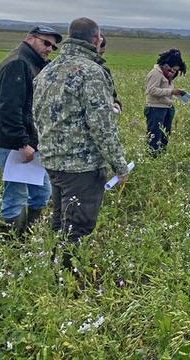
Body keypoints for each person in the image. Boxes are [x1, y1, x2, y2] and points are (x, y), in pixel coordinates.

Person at [33, 18, 129, 250]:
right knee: (77, 229)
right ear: (96, 40)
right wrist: (120, 165)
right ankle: (66, 280)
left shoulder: (48, 69)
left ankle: (54, 270)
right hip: (81, 167)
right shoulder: (91, 72)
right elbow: (102, 126)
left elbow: (36, 113)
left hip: (52, 162)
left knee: (59, 223)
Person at [0, 24, 62, 237]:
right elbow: (9, 108)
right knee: (16, 197)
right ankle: (12, 242)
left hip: (31, 144)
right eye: (45, 42)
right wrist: (22, 143)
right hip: (15, 146)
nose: (49, 48)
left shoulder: (34, 63)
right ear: (30, 38)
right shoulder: (18, 63)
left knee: (41, 193)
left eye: (53, 46)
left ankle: (26, 237)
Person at [144, 49, 186, 154]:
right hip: (155, 108)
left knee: (164, 136)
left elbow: (164, 90)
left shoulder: (166, 74)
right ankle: (152, 156)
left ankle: (161, 155)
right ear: (166, 65)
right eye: (173, 69)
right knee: (155, 136)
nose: (174, 72)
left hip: (167, 108)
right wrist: (171, 91)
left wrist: (176, 92)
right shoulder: (155, 73)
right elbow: (151, 90)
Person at [98, 35, 122, 113]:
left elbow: (111, 92)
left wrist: (115, 102)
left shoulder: (104, 69)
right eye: (100, 53)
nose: (100, 57)